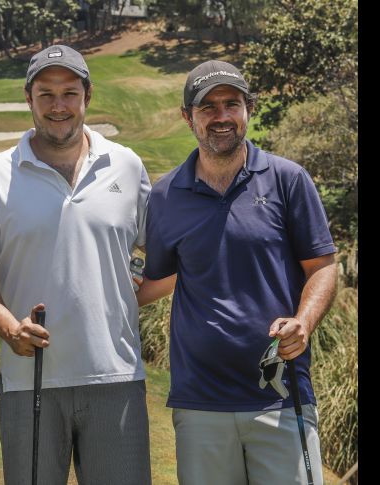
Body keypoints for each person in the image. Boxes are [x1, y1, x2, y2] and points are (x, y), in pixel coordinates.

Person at [0, 45, 152, 484]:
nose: (58, 106)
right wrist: (8, 328)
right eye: (46, 94)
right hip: (28, 379)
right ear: (29, 98)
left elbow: (157, 255)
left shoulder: (127, 166)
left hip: (115, 374)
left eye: (69, 93)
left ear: (87, 96)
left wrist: (126, 293)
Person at [137, 59, 337, 485]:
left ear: (249, 108)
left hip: (282, 397)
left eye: (232, 103)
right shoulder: (166, 194)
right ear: (187, 116)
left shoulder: (288, 179)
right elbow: (155, 279)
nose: (221, 116)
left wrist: (303, 322)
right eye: (207, 107)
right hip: (199, 401)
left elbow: (322, 266)